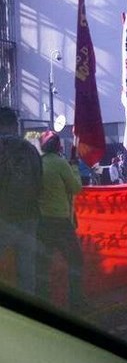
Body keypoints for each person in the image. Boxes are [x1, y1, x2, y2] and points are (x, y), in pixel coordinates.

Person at [36, 130, 84, 311]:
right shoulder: (60, 163)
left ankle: (43, 302)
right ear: (58, 146)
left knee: (43, 263)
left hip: (41, 221)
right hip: (60, 221)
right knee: (76, 260)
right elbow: (76, 188)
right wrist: (74, 167)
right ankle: (76, 301)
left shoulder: (37, 163)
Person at [0, 106, 43, 296]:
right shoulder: (31, 149)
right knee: (27, 271)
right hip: (29, 216)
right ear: (14, 125)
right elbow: (39, 181)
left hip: (3, 217)